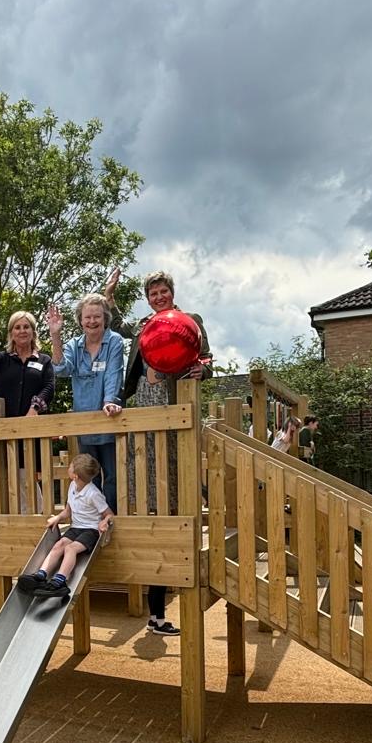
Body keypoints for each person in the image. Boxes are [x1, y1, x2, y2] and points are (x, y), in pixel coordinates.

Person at [115, 269, 211, 637]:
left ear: (173, 293)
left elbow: (206, 359)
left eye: (163, 291)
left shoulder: (189, 323)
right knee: (153, 501)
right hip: (148, 409)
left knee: (176, 501)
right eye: (153, 292)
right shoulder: (143, 328)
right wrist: (110, 296)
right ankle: (156, 614)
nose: (159, 297)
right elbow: (119, 329)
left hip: (180, 406)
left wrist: (201, 372)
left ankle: (162, 610)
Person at [0, 298, 55, 509]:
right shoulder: (3, 360)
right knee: (8, 474)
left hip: (31, 429)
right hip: (5, 430)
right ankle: (15, 518)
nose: (22, 331)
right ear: (11, 333)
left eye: (26, 326)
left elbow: (49, 387)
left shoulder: (43, 360)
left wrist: (34, 408)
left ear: (33, 332)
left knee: (29, 474)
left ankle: (38, 517)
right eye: (17, 327)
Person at [46, 293, 125, 506]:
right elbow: (61, 369)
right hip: (85, 422)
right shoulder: (74, 345)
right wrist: (55, 335)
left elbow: (113, 374)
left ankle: (111, 519)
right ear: (80, 320)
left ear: (105, 318)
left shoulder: (114, 341)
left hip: (109, 419)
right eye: (87, 317)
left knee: (113, 476)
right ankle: (93, 519)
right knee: (89, 474)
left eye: (96, 317)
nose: (92, 321)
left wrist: (109, 400)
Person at [17, 453, 113, 600]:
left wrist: (104, 521)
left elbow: (109, 513)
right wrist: (58, 517)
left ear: (75, 475)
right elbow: (68, 510)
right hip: (75, 527)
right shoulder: (72, 487)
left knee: (70, 548)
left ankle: (60, 581)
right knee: (59, 544)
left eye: (70, 466)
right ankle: (41, 575)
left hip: (91, 530)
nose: (68, 467)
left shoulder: (93, 494)